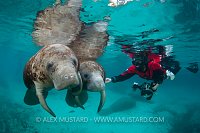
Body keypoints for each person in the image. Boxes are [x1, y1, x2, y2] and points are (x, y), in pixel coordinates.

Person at [106, 51, 175, 100]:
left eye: (139, 62)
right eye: (135, 62)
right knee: (150, 90)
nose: (137, 65)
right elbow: (123, 76)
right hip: (151, 77)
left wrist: (156, 85)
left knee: (170, 76)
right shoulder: (133, 68)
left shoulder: (153, 65)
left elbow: (161, 75)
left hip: (159, 75)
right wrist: (112, 79)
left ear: (144, 61)